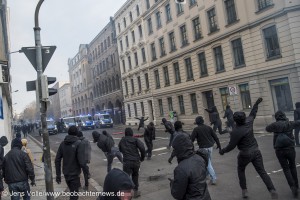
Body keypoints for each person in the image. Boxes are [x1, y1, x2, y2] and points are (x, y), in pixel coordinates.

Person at [219, 98, 278, 199]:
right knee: (262, 171)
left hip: (245, 154)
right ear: (244, 118)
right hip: (256, 151)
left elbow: (231, 146)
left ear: (235, 120)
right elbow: (253, 112)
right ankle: (272, 189)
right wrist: (256, 103)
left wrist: (222, 151)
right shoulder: (249, 122)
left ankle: (244, 190)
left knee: (241, 170)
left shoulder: (235, 131)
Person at [266, 110, 300, 198]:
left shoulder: (274, 125)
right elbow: (298, 123)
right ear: (284, 116)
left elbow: (267, 128)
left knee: (286, 169)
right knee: (292, 166)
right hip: (290, 148)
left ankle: (292, 186)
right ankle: (296, 185)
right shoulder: (289, 123)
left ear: (277, 117)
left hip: (279, 150)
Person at [169, 133, 211, 200]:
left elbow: (177, 194)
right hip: (205, 197)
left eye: (175, 148)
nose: (174, 151)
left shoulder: (180, 169)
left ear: (178, 148)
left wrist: (173, 184)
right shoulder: (200, 158)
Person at [55, 126, 88, 200]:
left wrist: (58, 175)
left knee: (73, 193)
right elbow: (82, 162)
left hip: (66, 173)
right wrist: (87, 172)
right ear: (76, 133)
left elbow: (57, 159)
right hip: (75, 174)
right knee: (74, 196)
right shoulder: (79, 143)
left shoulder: (63, 144)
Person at [191, 116, 221, 185]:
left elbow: (191, 140)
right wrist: (219, 146)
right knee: (208, 162)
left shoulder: (196, 129)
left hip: (203, 148)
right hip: (210, 147)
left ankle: (213, 178)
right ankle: (206, 176)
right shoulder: (208, 128)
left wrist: (191, 149)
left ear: (197, 122)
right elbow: (215, 137)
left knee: (208, 163)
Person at [118, 128, 145, 198]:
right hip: (136, 161)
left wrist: (125, 152)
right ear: (132, 133)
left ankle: (126, 196)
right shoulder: (135, 139)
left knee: (126, 178)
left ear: (125, 133)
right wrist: (142, 158)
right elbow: (142, 148)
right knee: (135, 176)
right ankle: (135, 192)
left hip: (127, 161)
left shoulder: (122, 140)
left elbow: (120, 149)